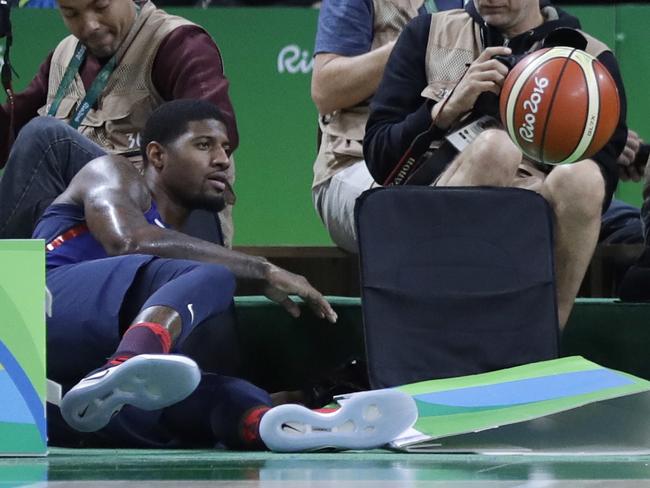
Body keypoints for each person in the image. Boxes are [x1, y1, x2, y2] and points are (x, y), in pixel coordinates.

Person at [38, 99, 417, 451]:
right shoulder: (113, 173)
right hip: (36, 312)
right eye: (204, 145)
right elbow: (128, 241)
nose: (222, 160)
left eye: (227, 150)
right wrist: (260, 269)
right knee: (214, 276)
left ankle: (279, 426)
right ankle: (127, 363)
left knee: (215, 391)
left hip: (56, 394)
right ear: (156, 155)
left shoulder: (180, 257)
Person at [363, 0, 628, 328]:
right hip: (432, 211)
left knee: (584, 177)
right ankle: (442, 331)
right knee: (496, 148)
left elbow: (600, 186)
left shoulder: (591, 61)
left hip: (535, 211)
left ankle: (544, 340)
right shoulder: (428, 33)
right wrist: (445, 110)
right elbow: (380, 160)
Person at [0, 0, 237, 246]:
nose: (89, 25)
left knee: (46, 137)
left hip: (158, 221)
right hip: (83, 223)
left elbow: (215, 139)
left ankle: (6, 276)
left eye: (101, 7)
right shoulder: (64, 57)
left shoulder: (178, 44)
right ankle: (18, 277)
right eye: (72, 14)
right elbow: (7, 137)